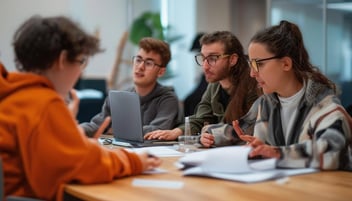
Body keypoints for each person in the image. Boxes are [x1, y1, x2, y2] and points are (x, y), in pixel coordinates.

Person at [0, 15, 161, 200]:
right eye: (81, 61)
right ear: (62, 60)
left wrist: (74, 140)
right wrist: (134, 161)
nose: (80, 70)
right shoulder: (44, 103)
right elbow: (85, 164)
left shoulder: (12, 95)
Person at [202, 20, 352, 171]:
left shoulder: (325, 106)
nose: (252, 73)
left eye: (258, 64)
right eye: (251, 64)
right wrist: (208, 134)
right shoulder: (266, 103)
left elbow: (332, 153)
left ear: (286, 64)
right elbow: (240, 130)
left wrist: (275, 152)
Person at [144, 31, 259, 142]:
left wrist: (209, 132)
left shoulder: (254, 85)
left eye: (212, 59)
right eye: (203, 58)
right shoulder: (214, 85)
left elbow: (246, 130)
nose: (205, 66)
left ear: (232, 59)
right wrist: (176, 132)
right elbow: (201, 118)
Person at [80, 37, 179, 137]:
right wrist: (76, 129)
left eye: (149, 63)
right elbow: (97, 125)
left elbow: (157, 130)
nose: (140, 67)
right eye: (138, 60)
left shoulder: (168, 99)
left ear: (161, 72)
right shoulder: (119, 98)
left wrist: (118, 130)